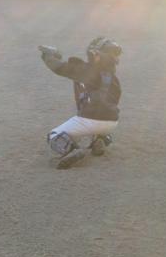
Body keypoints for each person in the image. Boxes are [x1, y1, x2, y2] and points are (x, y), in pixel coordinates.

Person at [39, 37, 122, 169]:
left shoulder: (87, 69)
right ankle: (100, 140)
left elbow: (59, 67)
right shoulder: (114, 78)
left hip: (89, 119)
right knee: (100, 122)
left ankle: (71, 150)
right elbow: (115, 100)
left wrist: (48, 56)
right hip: (112, 123)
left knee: (54, 136)